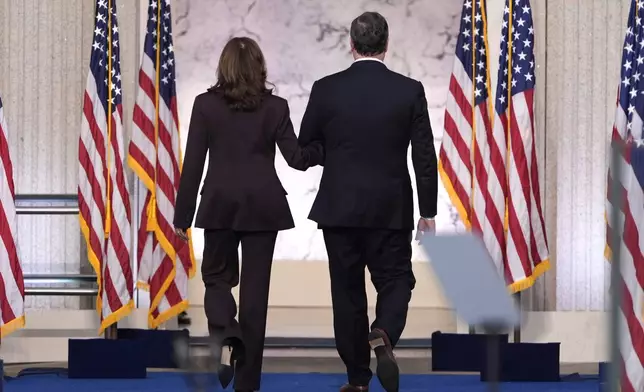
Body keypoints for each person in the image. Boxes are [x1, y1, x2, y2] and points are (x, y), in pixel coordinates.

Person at [173, 37, 324, 392]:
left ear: (222, 66)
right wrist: (327, 147)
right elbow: (297, 159)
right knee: (256, 294)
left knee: (216, 279)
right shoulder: (276, 107)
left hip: (219, 203)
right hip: (264, 205)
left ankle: (227, 332)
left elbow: (193, 164)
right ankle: (247, 382)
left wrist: (183, 216)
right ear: (260, 68)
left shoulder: (205, 105)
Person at [298, 12, 438, 392]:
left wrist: (336, 155)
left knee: (346, 293)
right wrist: (428, 212)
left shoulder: (325, 88)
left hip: (339, 207)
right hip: (390, 209)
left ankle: (357, 380)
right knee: (396, 281)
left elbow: (308, 142)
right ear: (386, 45)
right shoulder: (409, 90)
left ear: (352, 44)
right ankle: (384, 333)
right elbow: (424, 156)